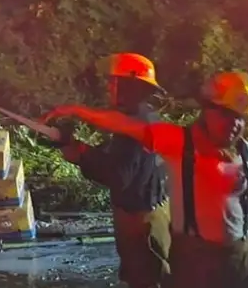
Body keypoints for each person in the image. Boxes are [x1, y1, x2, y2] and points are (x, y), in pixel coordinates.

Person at [43, 70, 248, 288]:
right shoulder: (179, 143)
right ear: (207, 110)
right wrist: (75, 111)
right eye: (227, 115)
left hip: (240, 259)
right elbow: (124, 124)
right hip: (194, 263)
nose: (235, 124)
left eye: (240, 118)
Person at [52, 53, 171, 288]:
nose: (110, 88)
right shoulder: (145, 118)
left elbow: (118, 175)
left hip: (141, 224)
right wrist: (81, 149)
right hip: (151, 217)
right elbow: (115, 156)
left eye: (114, 82)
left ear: (130, 86)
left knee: (145, 280)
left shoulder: (134, 127)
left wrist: (81, 154)